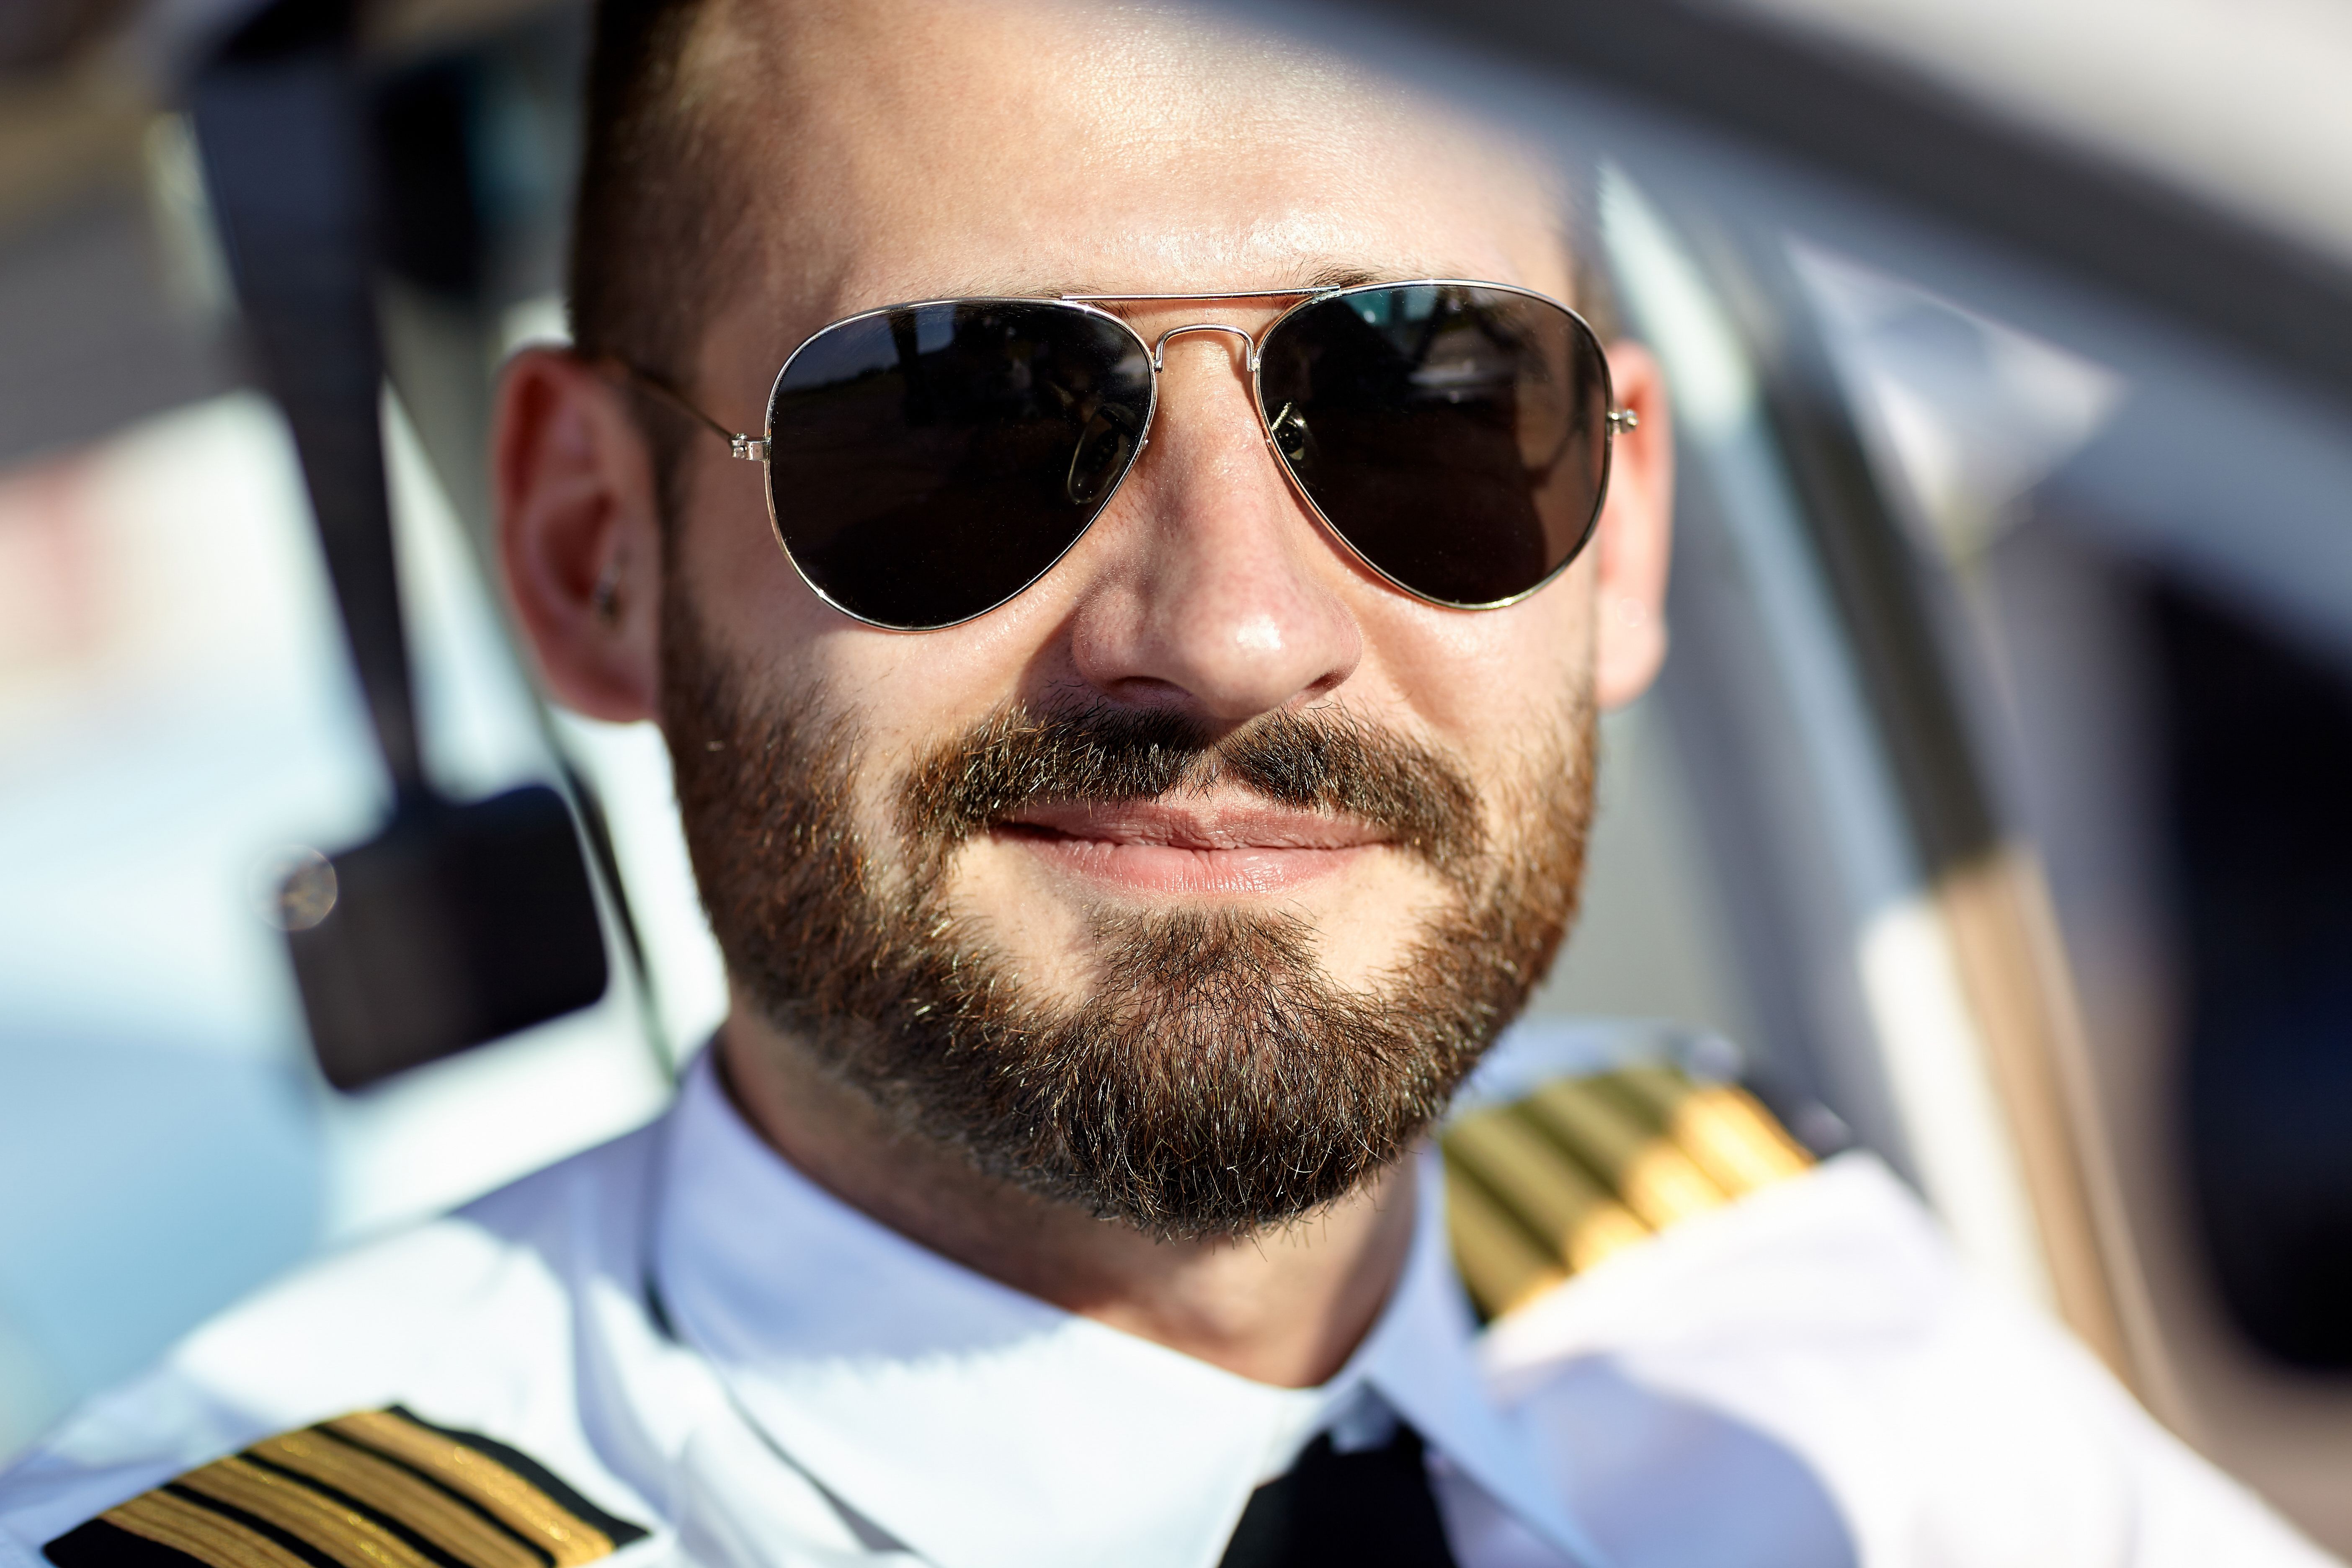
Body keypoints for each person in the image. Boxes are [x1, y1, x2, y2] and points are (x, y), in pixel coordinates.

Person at [0, 0, 2334, 1564]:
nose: (1227, 627)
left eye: (1425, 404)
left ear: (1615, 536)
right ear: (595, 551)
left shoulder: (1753, 1274)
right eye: (960, 419)